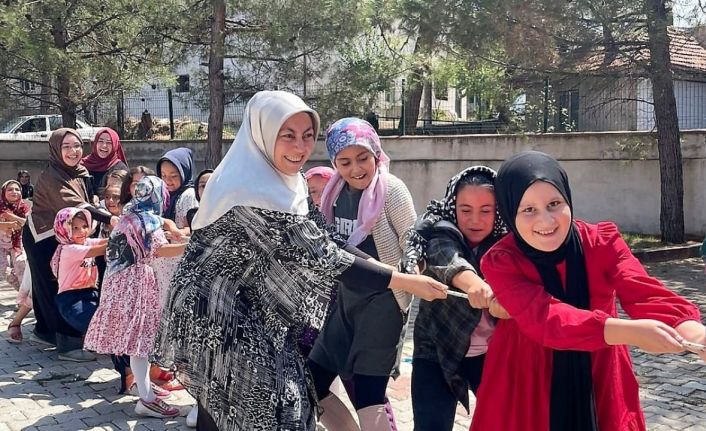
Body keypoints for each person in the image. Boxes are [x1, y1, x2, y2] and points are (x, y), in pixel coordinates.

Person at [152, 91, 447, 431]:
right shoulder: (248, 189)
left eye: (308, 135)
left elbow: (327, 239)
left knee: (238, 407)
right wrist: (404, 281)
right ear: (263, 133)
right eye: (288, 135)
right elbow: (326, 256)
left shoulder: (288, 183)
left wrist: (397, 274)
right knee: (259, 405)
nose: (300, 146)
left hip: (254, 310)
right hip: (216, 313)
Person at [470, 151, 706, 431]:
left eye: (554, 204)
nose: (546, 221)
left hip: (599, 371)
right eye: (528, 210)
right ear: (510, 212)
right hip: (527, 379)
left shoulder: (601, 243)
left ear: (567, 198)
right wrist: (629, 332)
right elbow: (545, 318)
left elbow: (642, 290)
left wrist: (696, 335)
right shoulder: (503, 261)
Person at [310, 117, 417, 430]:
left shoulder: (391, 189)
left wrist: (412, 274)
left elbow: (413, 240)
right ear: (334, 163)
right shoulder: (333, 193)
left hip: (382, 306)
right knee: (311, 382)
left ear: (376, 154)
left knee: (369, 397)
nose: (355, 169)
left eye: (362, 158)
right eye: (344, 162)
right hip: (344, 302)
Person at [400, 166, 507, 431]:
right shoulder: (439, 232)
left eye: (486, 210)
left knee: (506, 421)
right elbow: (448, 260)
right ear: (453, 207)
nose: (475, 220)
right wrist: (477, 286)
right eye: (465, 209)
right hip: (436, 349)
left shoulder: (509, 243)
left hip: (492, 352)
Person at [84, 176, 186, 419]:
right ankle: (147, 400)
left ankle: (144, 386)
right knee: (140, 342)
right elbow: (159, 251)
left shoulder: (129, 214)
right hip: (137, 284)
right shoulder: (147, 220)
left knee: (136, 340)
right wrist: (189, 246)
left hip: (117, 281)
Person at [23, 128, 117, 358]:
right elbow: (76, 205)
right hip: (44, 237)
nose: (73, 151)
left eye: (76, 146)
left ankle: (45, 331)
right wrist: (110, 219)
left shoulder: (76, 171)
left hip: (63, 235)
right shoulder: (52, 176)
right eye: (66, 147)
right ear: (56, 149)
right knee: (64, 288)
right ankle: (68, 344)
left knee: (48, 287)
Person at [51, 208, 106, 343]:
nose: (82, 232)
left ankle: (91, 341)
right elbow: (102, 248)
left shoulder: (86, 242)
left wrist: (122, 234)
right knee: (95, 323)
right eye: (75, 228)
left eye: (85, 226)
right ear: (64, 229)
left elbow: (105, 241)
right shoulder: (69, 249)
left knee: (105, 319)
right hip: (70, 298)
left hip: (90, 292)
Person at [2, 179, 30, 343]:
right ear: (4, 193)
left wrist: (11, 218)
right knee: (4, 272)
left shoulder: (24, 207)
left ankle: (23, 301)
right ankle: (23, 298)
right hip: (1, 244)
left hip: (18, 243)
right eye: (10, 190)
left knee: (21, 266)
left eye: (17, 189)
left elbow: (27, 223)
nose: (14, 192)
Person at [156, 147, 198, 236]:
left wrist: (173, 233)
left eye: (173, 176)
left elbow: (192, 229)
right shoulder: (162, 194)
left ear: (184, 173)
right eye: (163, 175)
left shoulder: (188, 195)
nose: (167, 181)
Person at [82, 127, 128, 199]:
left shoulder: (120, 169)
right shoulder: (82, 165)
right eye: (100, 141)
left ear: (115, 145)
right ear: (95, 143)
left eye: (109, 142)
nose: (104, 145)